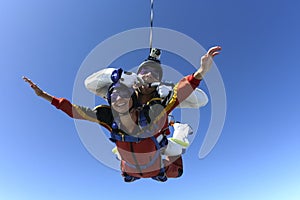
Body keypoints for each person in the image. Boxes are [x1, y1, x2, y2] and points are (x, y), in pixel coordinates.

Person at [23, 45, 221, 182]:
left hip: (156, 155)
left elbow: (181, 93)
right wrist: (44, 96)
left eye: (154, 74)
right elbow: (75, 111)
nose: (119, 100)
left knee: (177, 145)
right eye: (144, 72)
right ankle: (127, 161)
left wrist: (201, 71)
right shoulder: (109, 115)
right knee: (123, 155)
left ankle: (179, 128)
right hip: (132, 166)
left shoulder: (157, 110)